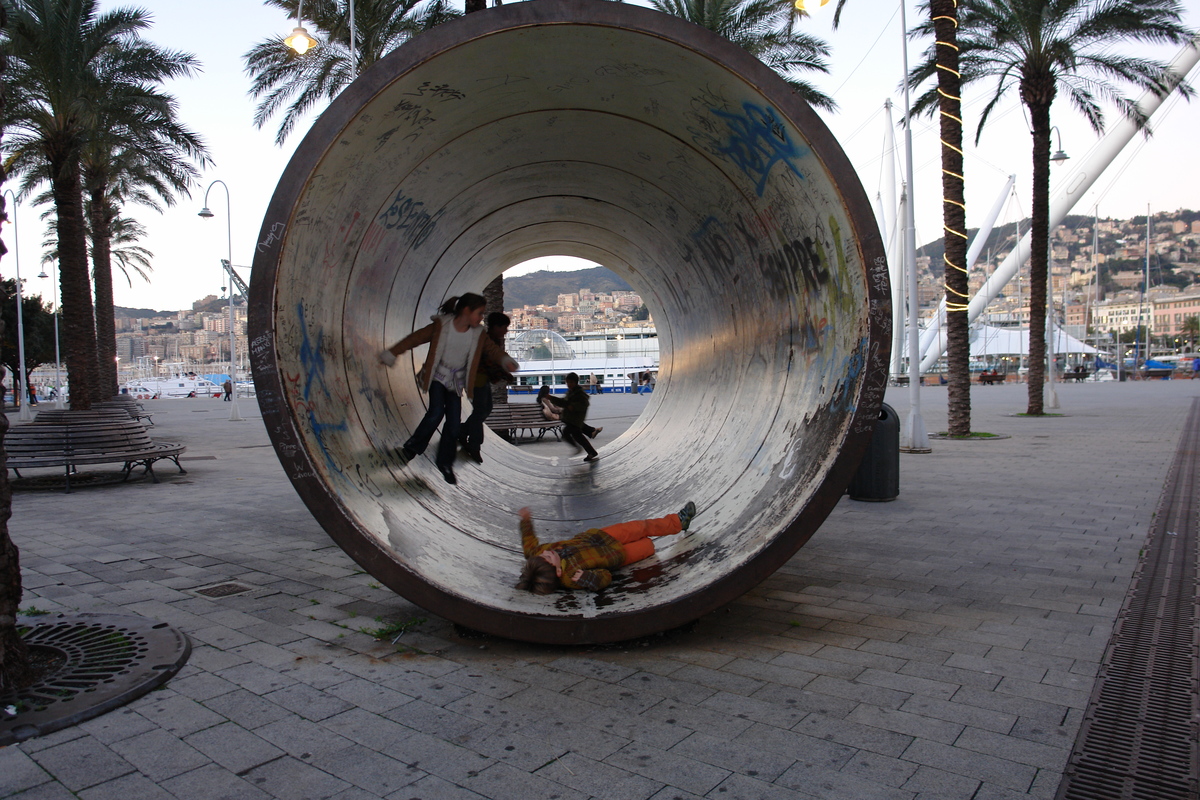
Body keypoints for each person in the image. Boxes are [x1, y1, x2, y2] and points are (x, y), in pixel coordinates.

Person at [380, 293, 518, 485]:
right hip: (438, 376)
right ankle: (411, 448)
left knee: (453, 423)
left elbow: (492, 350)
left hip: (455, 383)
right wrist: (393, 352)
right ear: (466, 311)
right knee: (436, 412)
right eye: (479, 313)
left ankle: (445, 464)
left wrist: (505, 360)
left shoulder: (477, 333)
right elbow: (415, 338)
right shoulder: (441, 326)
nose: (481, 318)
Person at [515, 502, 697, 593]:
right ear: (558, 572)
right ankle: (667, 530)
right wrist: (589, 579)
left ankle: (678, 522)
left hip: (601, 537)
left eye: (544, 554)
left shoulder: (536, 555)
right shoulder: (572, 576)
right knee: (647, 546)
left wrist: (525, 520)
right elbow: (605, 577)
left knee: (640, 527)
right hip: (616, 556)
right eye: (548, 558)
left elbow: (529, 542)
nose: (546, 552)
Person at [459, 312, 516, 463]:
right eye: (504, 327)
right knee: (480, 411)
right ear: (496, 327)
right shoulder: (486, 340)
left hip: (481, 379)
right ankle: (474, 445)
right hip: (477, 378)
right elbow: (489, 363)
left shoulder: (493, 340)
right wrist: (504, 373)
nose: (506, 331)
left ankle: (463, 431)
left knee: (485, 409)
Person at [543, 372, 600, 461]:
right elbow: (564, 402)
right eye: (568, 382)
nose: (569, 384)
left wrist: (573, 407)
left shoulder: (579, 393)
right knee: (578, 436)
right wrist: (551, 398)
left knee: (567, 433)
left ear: (576, 382)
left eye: (571, 382)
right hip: (571, 419)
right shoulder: (571, 392)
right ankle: (591, 451)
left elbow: (584, 403)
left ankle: (580, 448)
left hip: (575, 419)